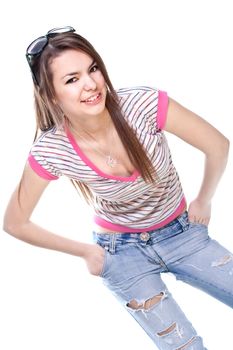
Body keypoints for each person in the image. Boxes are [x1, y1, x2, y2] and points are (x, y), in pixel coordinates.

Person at [3, 25, 233, 350]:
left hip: (182, 234)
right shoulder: (52, 149)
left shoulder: (143, 105)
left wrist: (204, 199)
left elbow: (218, 145)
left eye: (93, 68)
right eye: (72, 79)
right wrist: (85, 252)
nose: (91, 84)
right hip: (121, 253)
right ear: (52, 94)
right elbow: (14, 222)